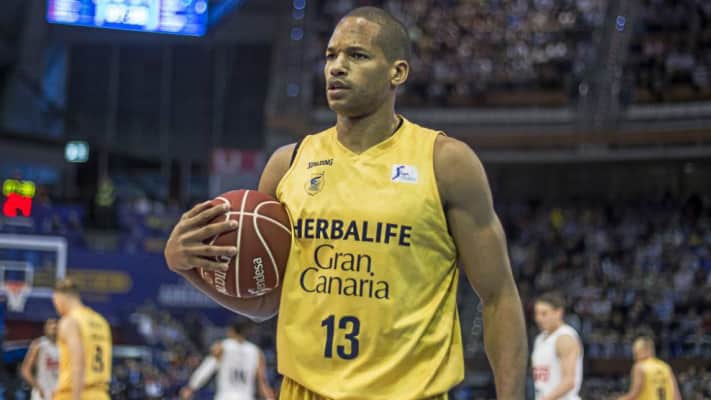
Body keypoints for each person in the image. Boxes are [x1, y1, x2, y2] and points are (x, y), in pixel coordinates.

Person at [164, 6, 526, 399]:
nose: (337, 67)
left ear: (397, 72)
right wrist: (186, 268)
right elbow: (267, 302)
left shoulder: (445, 162)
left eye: (357, 55)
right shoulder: (288, 163)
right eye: (330, 55)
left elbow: (498, 297)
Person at [180, 322, 275, 400]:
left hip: (225, 396)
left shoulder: (221, 347)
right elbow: (262, 380)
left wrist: (191, 387)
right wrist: (270, 398)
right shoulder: (256, 351)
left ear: (231, 331)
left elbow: (207, 367)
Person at [52, 279, 112, 400]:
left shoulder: (70, 321)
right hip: (101, 394)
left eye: (55, 301)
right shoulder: (101, 321)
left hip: (74, 393)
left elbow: (78, 362)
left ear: (61, 298)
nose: (56, 307)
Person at [531, 293, 583, 400]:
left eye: (544, 314)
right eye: (536, 314)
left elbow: (569, 381)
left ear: (558, 313)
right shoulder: (539, 339)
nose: (538, 318)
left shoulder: (564, 338)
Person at [20, 319, 60, 400]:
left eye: (56, 324)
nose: (54, 326)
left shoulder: (64, 346)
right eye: (51, 324)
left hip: (59, 393)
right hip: (42, 394)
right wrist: (38, 388)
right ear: (45, 328)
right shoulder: (39, 344)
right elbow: (25, 370)